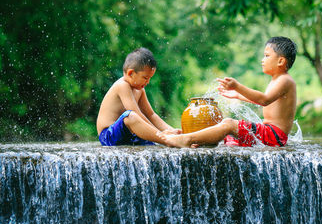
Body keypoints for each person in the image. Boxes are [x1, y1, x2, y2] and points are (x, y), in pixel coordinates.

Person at [158, 36, 297, 148]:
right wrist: (238, 96)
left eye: (266, 56)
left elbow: (264, 100)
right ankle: (187, 135)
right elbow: (268, 102)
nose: (262, 60)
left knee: (229, 123)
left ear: (280, 61)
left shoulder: (285, 80)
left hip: (274, 136)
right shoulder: (278, 80)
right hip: (270, 134)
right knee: (225, 134)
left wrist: (237, 87)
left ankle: (186, 139)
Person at [96, 47, 181, 146]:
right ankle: (167, 140)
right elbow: (135, 114)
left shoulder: (140, 90)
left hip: (129, 135)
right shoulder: (122, 85)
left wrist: (171, 130)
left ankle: (174, 138)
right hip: (108, 136)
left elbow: (151, 115)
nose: (148, 82)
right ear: (131, 73)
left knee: (151, 139)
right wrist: (160, 134)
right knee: (130, 116)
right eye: (145, 77)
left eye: (150, 78)